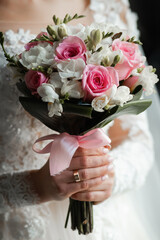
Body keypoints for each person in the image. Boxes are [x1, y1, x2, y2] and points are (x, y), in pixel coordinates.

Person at [0, 0, 159, 239]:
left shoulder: (108, 5)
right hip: (18, 226)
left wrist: (104, 177)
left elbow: (139, 141)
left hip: (108, 224)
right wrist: (35, 187)